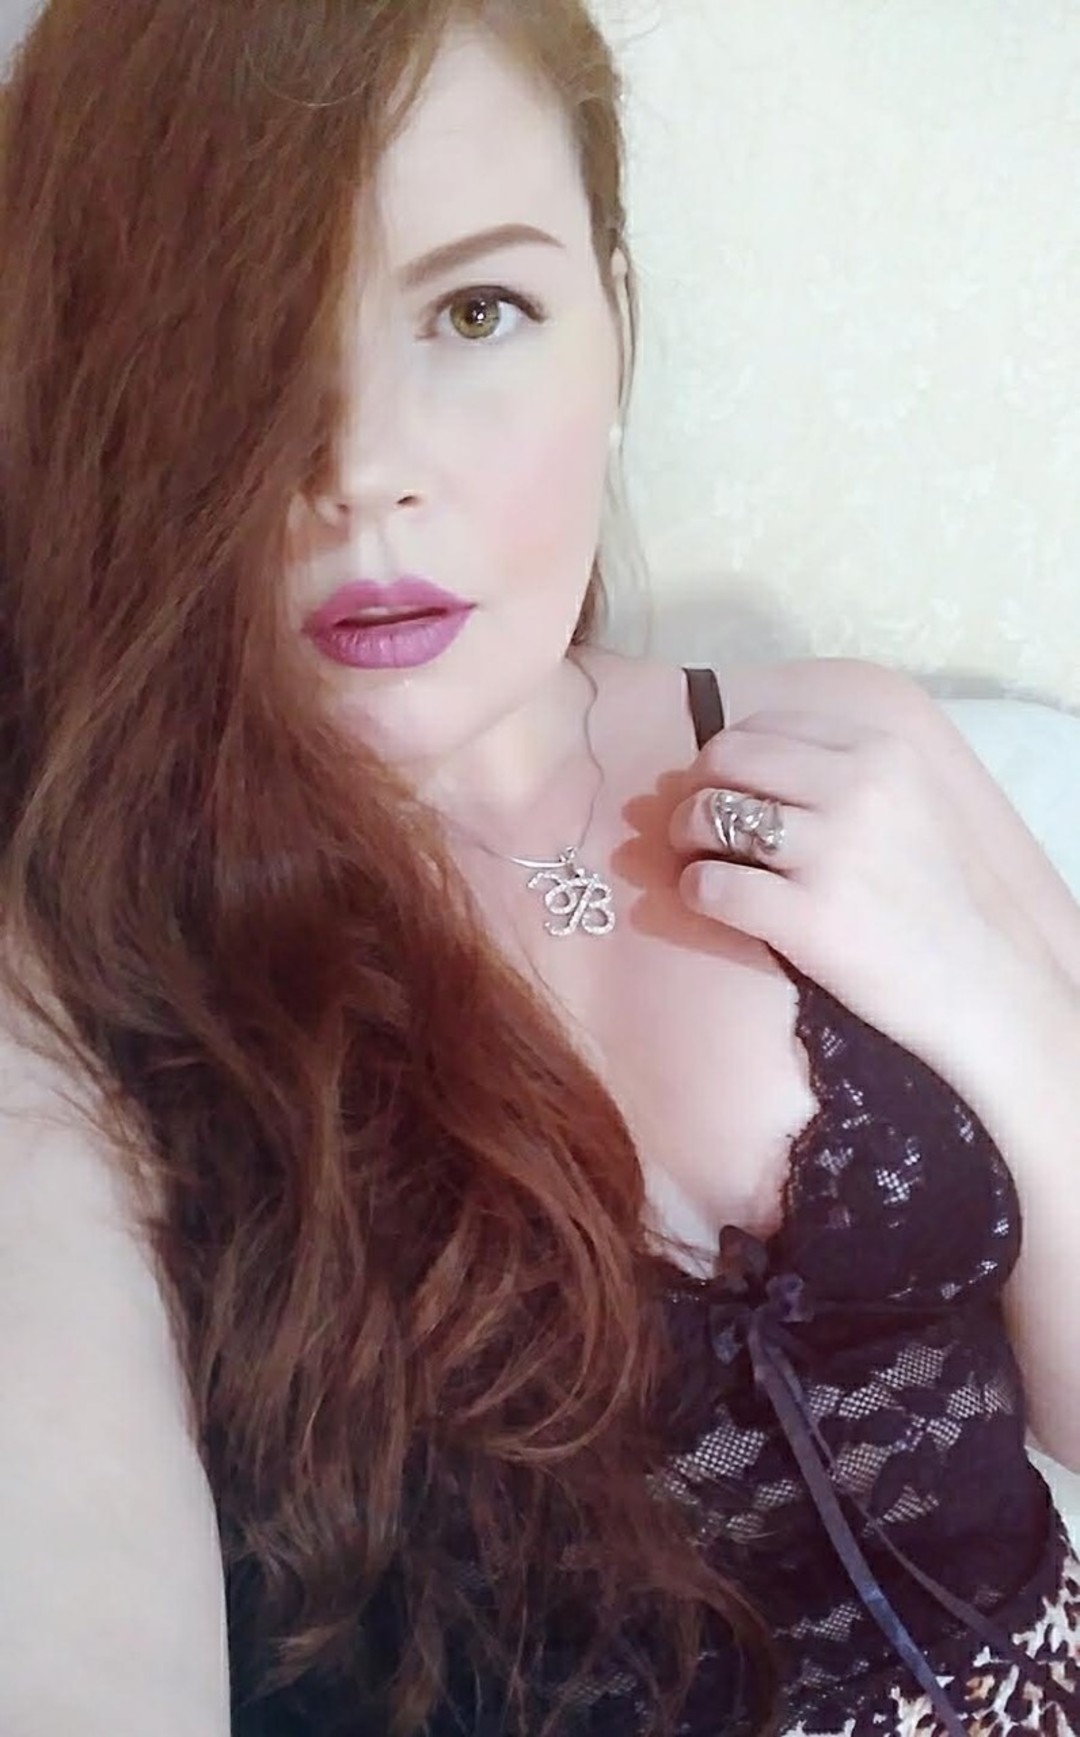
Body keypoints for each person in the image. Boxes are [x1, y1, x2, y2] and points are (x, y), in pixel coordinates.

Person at [1, 2, 1078, 1733]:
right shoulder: (85, 988)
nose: (357, 468)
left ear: (615, 325)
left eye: (475, 310)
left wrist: (1007, 1005)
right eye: (236, 335)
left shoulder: (851, 741)